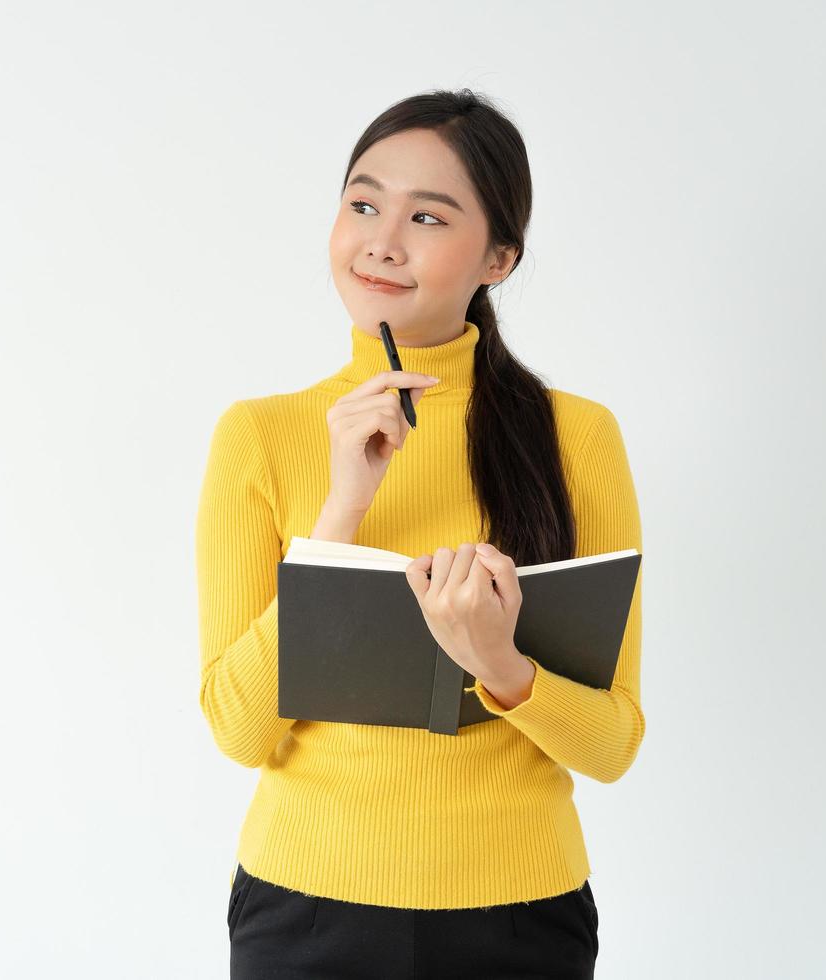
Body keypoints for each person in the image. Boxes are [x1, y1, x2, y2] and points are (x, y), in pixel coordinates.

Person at [195, 89, 643, 979]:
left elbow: (613, 745)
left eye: (428, 217)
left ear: (500, 258)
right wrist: (340, 516)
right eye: (363, 204)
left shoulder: (576, 437)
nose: (382, 241)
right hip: (304, 909)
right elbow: (239, 732)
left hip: (518, 913)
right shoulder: (259, 435)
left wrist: (503, 668)